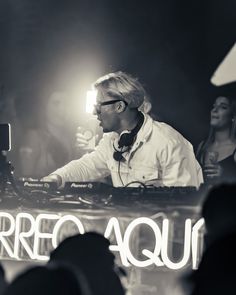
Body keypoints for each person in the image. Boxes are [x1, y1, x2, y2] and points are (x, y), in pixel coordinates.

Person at [43, 71, 203, 188]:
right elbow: (88, 166)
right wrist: (56, 178)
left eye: (99, 106)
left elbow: (183, 201)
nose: (94, 112)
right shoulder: (112, 140)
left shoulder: (168, 143)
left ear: (119, 106)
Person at [19, 90, 74, 179]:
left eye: (67, 103)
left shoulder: (72, 138)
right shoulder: (33, 136)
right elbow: (25, 178)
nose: (62, 109)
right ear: (44, 107)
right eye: (56, 103)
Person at [197, 95, 236, 183]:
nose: (215, 110)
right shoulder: (202, 146)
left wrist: (225, 174)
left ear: (232, 117)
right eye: (214, 106)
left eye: (223, 107)